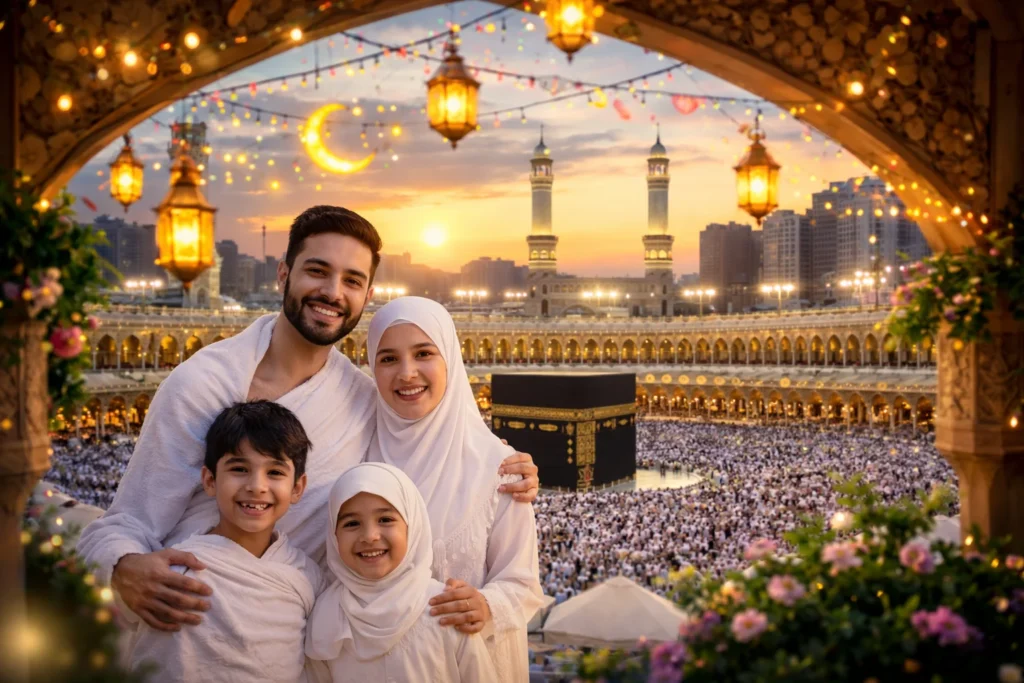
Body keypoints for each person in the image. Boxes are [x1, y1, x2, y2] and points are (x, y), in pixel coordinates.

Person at [77, 206, 539, 633]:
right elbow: (127, 522)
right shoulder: (204, 383)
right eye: (318, 271)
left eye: (352, 280)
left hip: (295, 630)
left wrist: (503, 462)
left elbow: (432, 427)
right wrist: (123, 565)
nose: (332, 293)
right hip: (195, 619)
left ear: (367, 295)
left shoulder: (362, 398)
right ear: (284, 273)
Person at [366, 297, 543, 683]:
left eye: (424, 353)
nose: (407, 373)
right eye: (388, 358)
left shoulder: (497, 465)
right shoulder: (356, 455)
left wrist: (485, 605)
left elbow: (523, 582)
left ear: (450, 358)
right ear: (371, 367)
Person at [126, 401, 321, 682]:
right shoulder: (178, 573)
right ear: (209, 480)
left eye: (275, 472)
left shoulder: (305, 575)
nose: (257, 486)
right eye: (239, 469)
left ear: (298, 487)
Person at [306, 462, 496, 682]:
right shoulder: (326, 617)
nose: (369, 535)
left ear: (412, 526)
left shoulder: (445, 607)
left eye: (385, 519)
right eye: (351, 523)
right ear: (333, 534)